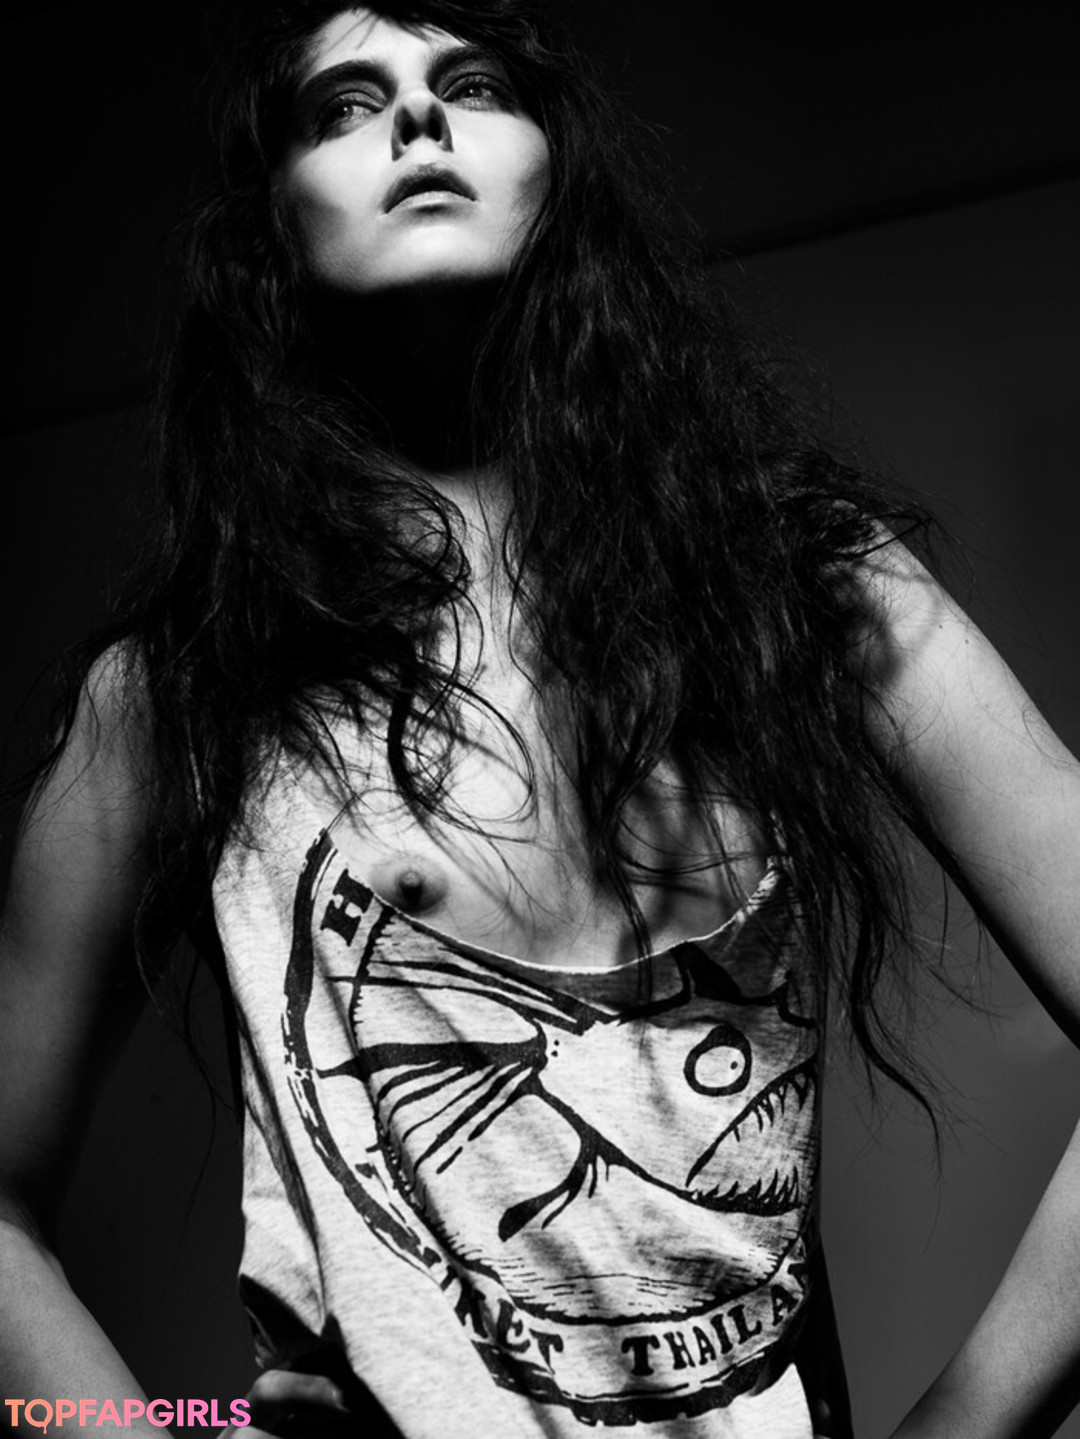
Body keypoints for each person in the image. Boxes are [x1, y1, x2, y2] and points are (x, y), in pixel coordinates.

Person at [2, 1, 1079, 1436]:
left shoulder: (800, 585)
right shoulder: (186, 688)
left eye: (472, 83)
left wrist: (969, 1425)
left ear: (557, 170)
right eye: (342, 106)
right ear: (272, 229)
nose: (416, 117)